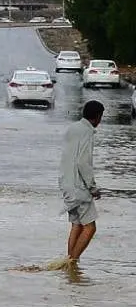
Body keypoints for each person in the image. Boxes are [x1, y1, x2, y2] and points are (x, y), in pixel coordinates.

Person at [61, 99, 104, 264]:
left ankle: (69, 262)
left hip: (66, 183)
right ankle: (72, 262)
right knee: (90, 227)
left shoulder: (72, 128)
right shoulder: (87, 132)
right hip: (78, 186)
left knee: (77, 224)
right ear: (98, 116)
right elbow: (83, 162)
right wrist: (92, 187)